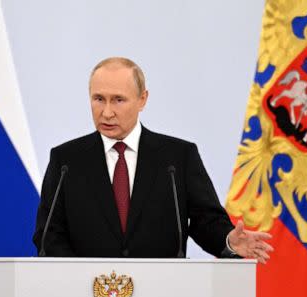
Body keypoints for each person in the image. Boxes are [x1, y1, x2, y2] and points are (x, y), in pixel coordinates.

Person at [33, 57, 273, 262]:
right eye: (98, 99)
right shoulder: (66, 161)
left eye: (118, 99)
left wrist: (229, 240)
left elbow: (205, 221)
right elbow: (48, 235)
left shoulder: (178, 158)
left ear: (143, 99)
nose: (106, 112)